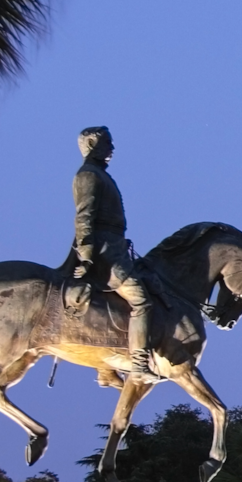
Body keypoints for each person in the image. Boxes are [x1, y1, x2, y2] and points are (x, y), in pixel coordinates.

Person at [68, 125, 155, 373]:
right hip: (106, 252)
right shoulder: (88, 175)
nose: (113, 148)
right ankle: (138, 364)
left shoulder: (99, 174)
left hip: (116, 245)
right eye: (108, 143)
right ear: (93, 145)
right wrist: (86, 257)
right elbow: (84, 218)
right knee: (141, 300)